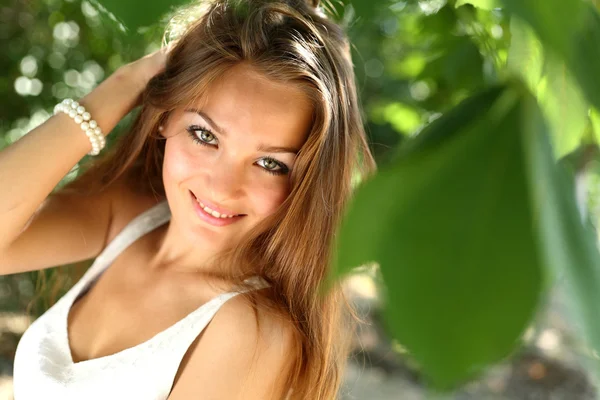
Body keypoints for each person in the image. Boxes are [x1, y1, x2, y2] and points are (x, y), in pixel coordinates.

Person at [0, 0, 376, 398]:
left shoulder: (248, 331)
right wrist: (129, 82)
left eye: (269, 163)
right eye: (205, 135)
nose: (222, 187)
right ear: (165, 115)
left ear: (306, 181)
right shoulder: (132, 216)